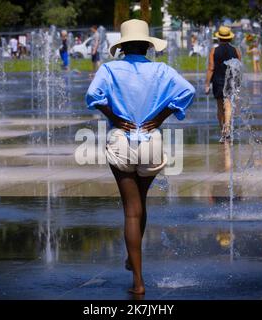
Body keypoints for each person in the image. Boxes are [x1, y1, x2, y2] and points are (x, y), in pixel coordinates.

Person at [85, 19, 195, 295]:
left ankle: (138, 281)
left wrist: (114, 117)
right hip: (151, 141)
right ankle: (132, 261)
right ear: (147, 46)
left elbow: (92, 96)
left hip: (121, 140)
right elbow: (188, 91)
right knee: (140, 206)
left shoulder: (109, 69)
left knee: (130, 212)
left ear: (122, 47)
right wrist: (159, 118)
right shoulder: (161, 70)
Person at [205, 26, 241, 143]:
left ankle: (223, 131)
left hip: (218, 81)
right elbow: (239, 68)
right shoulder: (236, 50)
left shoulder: (214, 51)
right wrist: (239, 82)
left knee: (220, 107)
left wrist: (207, 84)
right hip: (231, 80)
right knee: (228, 106)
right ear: (230, 37)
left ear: (219, 38)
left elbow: (211, 68)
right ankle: (227, 130)